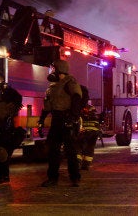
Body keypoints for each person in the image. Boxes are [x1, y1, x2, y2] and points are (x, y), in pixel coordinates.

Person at [38, 59, 82, 187]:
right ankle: (52, 178)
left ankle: (75, 178)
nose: (51, 71)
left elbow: (77, 98)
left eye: (53, 69)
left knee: (70, 151)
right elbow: (47, 106)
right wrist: (41, 120)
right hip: (56, 120)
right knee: (53, 151)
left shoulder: (70, 82)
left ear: (59, 69)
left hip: (67, 118)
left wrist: (72, 116)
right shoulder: (53, 86)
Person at [76, 103, 103, 170]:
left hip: (83, 135)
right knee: (89, 149)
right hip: (93, 135)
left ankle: (78, 163)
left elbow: (77, 126)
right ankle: (86, 165)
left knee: (79, 147)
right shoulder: (95, 118)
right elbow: (99, 128)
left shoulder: (80, 117)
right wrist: (99, 134)